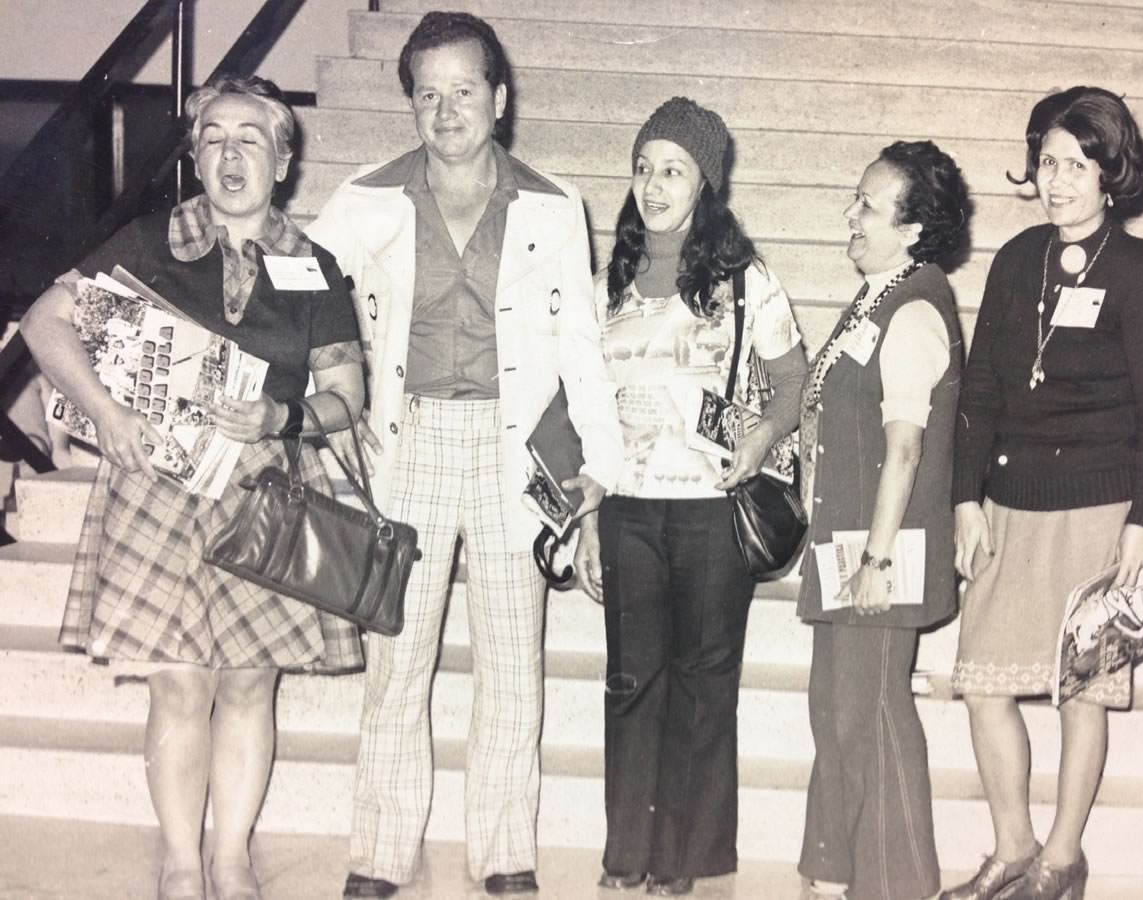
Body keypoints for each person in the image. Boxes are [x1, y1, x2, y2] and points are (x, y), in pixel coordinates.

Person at [20, 74, 366, 900]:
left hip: (264, 490)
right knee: (180, 682)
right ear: (195, 156)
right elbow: (43, 322)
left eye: (251, 138)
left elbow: (346, 396)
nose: (230, 154)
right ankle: (181, 864)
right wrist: (104, 412)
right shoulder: (147, 241)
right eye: (213, 138)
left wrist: (278, 416)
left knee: (249, 681)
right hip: (158, 487)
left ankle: (233, 858)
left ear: (283, 160)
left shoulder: (315, 268)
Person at [304, 11, 623, 898]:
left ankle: (504, 856)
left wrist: (598, 466)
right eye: (428, 94)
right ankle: (378, 856)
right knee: (396, 663)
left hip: (511, 450)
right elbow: (306, 307)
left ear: (500, 98)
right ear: (411, 104)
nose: (446, 111)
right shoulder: (365, 199)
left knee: (513, 664)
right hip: (405, 443)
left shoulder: (555, 205)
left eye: (464, 91)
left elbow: (581, 348)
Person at [944, 86, 1143, 900]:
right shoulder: (1016, 260)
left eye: (1076, 164)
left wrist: (1140, 525)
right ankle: (1013, 846)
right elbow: (979, 392)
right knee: (981, 684)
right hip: (1010, 503)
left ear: (1110, 172)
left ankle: (1061, 857)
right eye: (1047, 161)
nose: (1057, 180)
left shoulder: (1139, 273)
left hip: (1096, 510)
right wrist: (964, 499)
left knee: (1081, 697)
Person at [574, 96, 806, 897]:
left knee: (705, 681)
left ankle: (684, 858)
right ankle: (625, 852)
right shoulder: (605, 281)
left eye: (672, 169)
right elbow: (583, 401)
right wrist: (587, 517)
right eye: (643, 167)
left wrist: (760, 439)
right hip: (629, 505)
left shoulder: (745, 279)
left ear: (704, 181)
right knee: (632, 678)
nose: (653, 184)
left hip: (713, 507)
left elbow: (791, 383)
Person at [795, 140, 971, 900]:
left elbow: (904, 450)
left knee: (856, 717)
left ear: (914, 228)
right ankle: (890, 881)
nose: (850, 214)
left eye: (868, 205)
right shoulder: (875, 297)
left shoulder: (914, 310)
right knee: (854, 711)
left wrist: (876, 560)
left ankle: (846, 880)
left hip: (879, 551)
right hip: (850, 542)